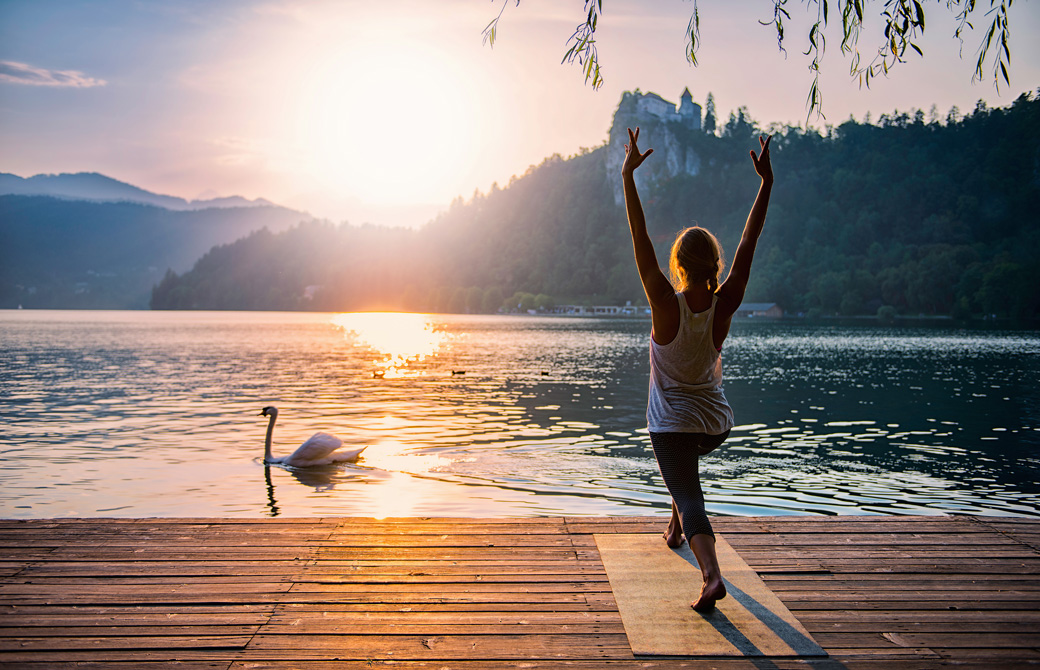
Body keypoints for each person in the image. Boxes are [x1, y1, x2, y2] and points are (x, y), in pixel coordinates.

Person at [621, 127, 773, 611]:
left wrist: (628, 176)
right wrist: (765, 184)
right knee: (682, 476)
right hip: (715, 424)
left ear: (678, 266)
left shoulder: (665, 304)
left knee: (690, 494)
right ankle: (674, 529)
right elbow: (750, 241)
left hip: (672, 426)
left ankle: (711, 576)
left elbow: (639, 237)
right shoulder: (724, 303)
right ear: (713, 265)